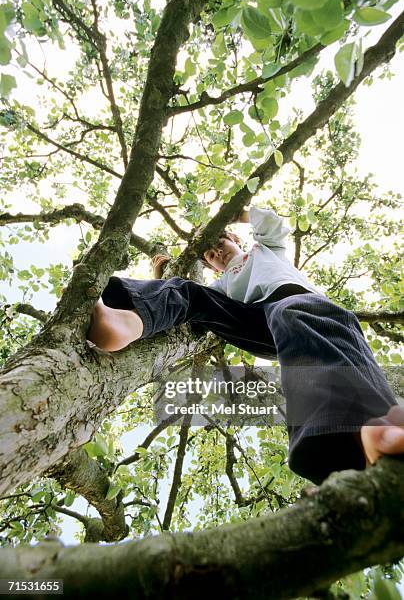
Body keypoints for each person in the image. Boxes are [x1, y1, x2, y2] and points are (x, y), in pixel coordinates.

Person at [87, 205, 404, 484]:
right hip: (255, 321)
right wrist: (158, 277)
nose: (217, 253)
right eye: (210, 255)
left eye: (220, 244)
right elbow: (189, 302)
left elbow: (273, 225)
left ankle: (351, 433)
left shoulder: (265, 250)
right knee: (190, 294)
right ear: (210, 266)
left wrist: (236, 211)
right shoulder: (222, 283)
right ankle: (127, 322)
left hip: (294, 303)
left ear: (235, 240)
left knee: (296, 320)